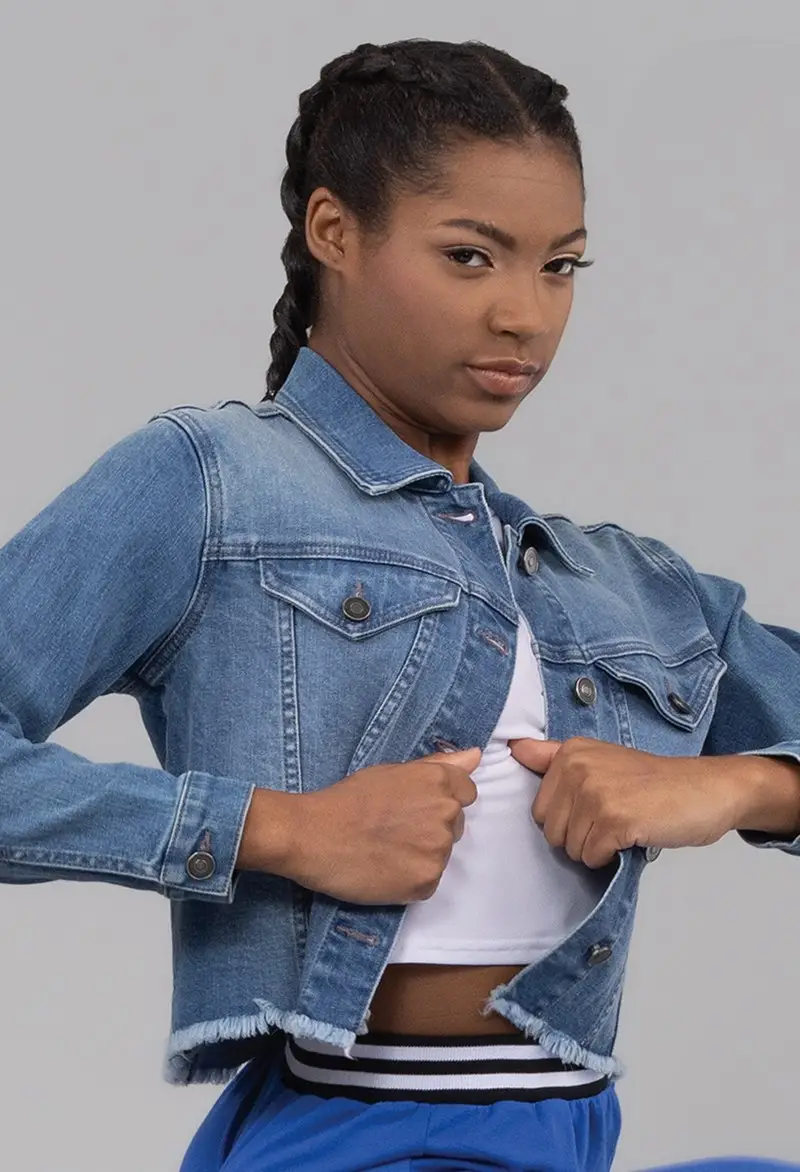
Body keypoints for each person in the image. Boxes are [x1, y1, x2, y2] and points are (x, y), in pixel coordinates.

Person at [2, 35, 799, 1172]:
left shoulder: (626, 586)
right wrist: (285, 829)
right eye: (470, 257)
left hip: (568, 1134)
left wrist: (739, 786)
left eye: (560, 266)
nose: (524, 315)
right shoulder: (212, 484)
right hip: (349, 1135)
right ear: (334, 232)